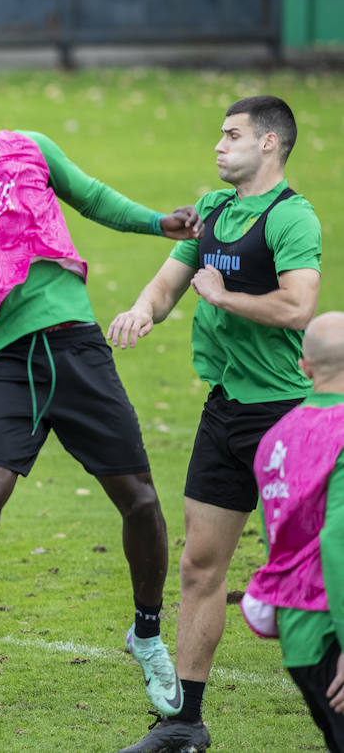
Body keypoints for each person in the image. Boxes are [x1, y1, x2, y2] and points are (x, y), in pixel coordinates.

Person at [0, 82, 203, 716]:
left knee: (140, 501)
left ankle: (146, 633)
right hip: (5, 367)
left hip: (79, 350)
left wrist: (154, 222)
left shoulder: (24, 147)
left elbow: (90, 197)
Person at [108, 95, 321, 753]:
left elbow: (297, 306)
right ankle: (185, 723)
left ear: (269, 145)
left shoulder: (294, 218)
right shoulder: (214, 209)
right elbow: (170, 282)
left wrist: (224, 296)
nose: (218, 145)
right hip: (225, 410)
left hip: (285, 417)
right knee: (201, 566)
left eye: (232, 135)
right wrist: (145, 310)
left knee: (313, 571)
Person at [240, 312, 344, 752]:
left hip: (299, 636)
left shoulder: (275, 439)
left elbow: (275, 536)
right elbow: (337, 542)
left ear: (304, 367)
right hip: (332, 636)